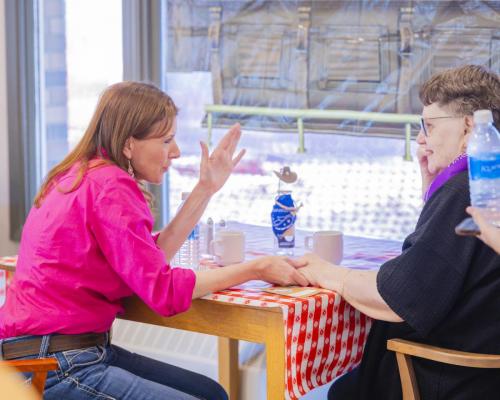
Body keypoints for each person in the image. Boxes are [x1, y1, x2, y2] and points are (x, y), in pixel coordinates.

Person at [0, 82, 309, 400]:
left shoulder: (82, 175)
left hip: (50, 353)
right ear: (129, 144)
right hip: (58, 364)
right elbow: (162, 292)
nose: (174, 152)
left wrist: (205, 188)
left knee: (211, 392)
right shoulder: (112, 188)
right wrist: (256, 269)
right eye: (166, 140)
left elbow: (147, 262)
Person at [297, 65, 500, 399]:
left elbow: (400, 295)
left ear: (468, 126)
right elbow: (448, 262)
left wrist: (327, 273)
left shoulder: (465, 189)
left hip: (446, 379)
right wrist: (431, 188)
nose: (420, 138)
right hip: (484, 374)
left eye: (429, 126)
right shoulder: (484, 180)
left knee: (342, 392)